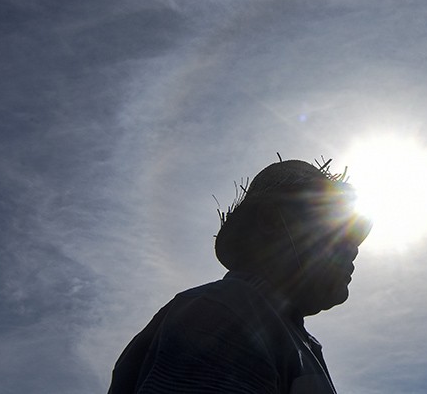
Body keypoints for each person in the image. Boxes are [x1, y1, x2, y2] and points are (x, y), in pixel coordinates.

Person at [108, 158, 373, 393]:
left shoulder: (292, 339)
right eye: (336, 228)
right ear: (271, 222)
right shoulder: (225, 311)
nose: (352, 249)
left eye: (354, 238)